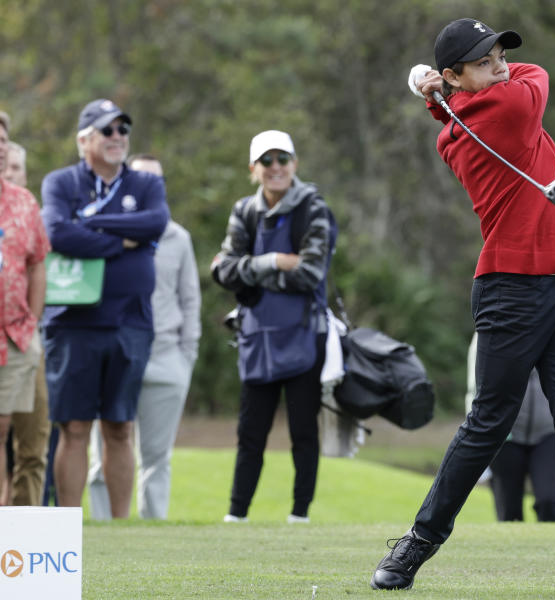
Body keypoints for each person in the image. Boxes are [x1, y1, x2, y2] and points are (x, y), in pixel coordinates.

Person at [372, 19, 555, 598]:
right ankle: (417, 542)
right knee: (489, 424)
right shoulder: (508, 109)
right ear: (455, 76)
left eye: (501, 54)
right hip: (511, 289)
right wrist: (443, 94)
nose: (502, 65)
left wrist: (439, 93)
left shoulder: (458, 121)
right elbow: (537, 76)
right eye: (484, 62)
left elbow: (467, 106)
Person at [40, 99, 169, 516]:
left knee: (119, 427)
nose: (118, 138)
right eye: (107, 130)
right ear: (84, 140)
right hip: (72, 324)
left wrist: (91, 223)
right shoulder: (60, 183)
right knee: (74, 427)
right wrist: (121, 242)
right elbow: (58, 233)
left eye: (122, 130)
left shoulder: (146, 185)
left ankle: (119, 528)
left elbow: (155, 223)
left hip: (130, 322)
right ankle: (69, 525)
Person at [211, 130, 336, 524]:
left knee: (303, 432)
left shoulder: (313, 208)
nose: (276, 167)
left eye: (283, 159)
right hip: (256, 336)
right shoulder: (243, 211)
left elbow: (311, 273)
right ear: (254, 169)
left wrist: (250, 269)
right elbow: (224, 272)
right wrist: (275, 262)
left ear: (294, 163)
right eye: (267, 161)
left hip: (303, 335)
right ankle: (237, 515)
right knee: (251, 432)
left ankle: (300, 515)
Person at [87, 154, 201, 519]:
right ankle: (103, 531)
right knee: (102, 450)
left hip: (166, 356)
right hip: (113, 352)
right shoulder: (105, 233)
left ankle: (151, 538)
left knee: (155, 459)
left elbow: (190, 301)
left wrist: (186, 358)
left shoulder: (178, 238)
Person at [0, 132, 55, 507]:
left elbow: (37, 264)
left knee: (32, 442)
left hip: (19, 337)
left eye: (3, 140)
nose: (1, 147)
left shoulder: (23, 202)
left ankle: (20, 541)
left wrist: (31, 321)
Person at [467, 333, 555, 523]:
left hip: (548, 432)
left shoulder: (553, 324)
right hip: (505, 435)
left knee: (549, 502)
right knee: (509, 512)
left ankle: (554, 550)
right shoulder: (490, 328)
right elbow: (475, 389)